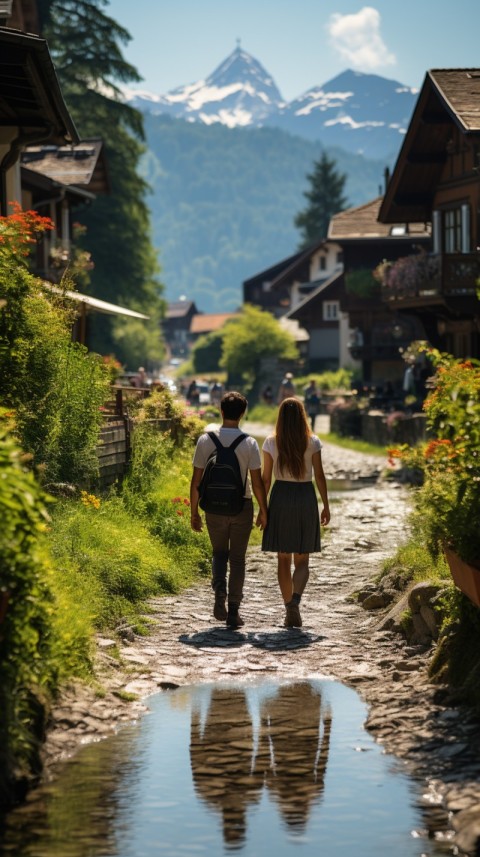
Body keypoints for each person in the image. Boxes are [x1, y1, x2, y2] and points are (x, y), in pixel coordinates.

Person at [190, 391, 268, 628]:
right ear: (243, 414)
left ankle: (218, 594)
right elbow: (256, 483)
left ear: (221, 411)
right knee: (237, 559)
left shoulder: (205, 440)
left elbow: (196, 481)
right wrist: (263, 510)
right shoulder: (249, 443)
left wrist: (194, 512)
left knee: (219, 554)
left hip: (213, 507)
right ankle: (233, 611)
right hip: (240, 507)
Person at [258, 397, 330, 628]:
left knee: (282, 558)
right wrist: (326, 505)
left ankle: (288, 604)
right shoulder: (313, 442)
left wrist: (262, 509)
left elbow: (266, 479)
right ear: (302, 417)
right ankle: (295, 603)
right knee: (302, 558)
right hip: (305, 497)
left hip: (280, 497)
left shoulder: (271, 443)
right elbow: (319, 475)